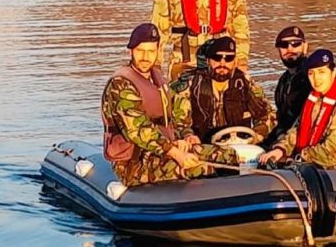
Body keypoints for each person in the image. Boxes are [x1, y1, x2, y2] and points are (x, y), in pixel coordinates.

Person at [101, 23, 238, 187]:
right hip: (133, 163)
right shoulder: (121, 85)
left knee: (228, 156)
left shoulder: (158, 80)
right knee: (201, 167)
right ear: (131, 51)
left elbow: (175, 113)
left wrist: (186, 135)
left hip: (165, 150)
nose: (145, 57)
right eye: (140, 51)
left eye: (151, 51)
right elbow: (137, 131)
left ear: (158, 51)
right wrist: (176, 154)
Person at [258, 49, 336, 172]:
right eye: (311, 73)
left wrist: (299, 157)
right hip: (311, 166)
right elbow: (298, 130)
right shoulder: (314, 99)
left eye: (321, 72)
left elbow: (334, 152)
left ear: (333, 73)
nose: (316, 79)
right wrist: (281, 149)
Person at [172, 36, 276, 145]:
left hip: (242, 145)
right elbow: (179, 121)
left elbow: (267, 115)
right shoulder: (192, 84)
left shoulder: (245, 83)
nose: (222, 63)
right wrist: (188, 135)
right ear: (208, 60)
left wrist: (258, 134)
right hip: (203, 147)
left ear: (235, 62)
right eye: (217, 58)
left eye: (228, 59)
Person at [263, 26, 311, 149]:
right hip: (285, 141)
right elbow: (282, 121)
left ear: (305, 47)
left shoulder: (312, 77)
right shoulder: (283, 81)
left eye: (296, 44)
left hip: (305, 145)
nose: (290, 49)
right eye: (284, 45)